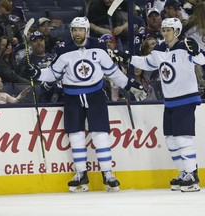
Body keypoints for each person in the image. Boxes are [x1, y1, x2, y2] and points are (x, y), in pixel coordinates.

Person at [27, 17, 146, 192]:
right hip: (72, 97)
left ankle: (107, 173)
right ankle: (81, 173)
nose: (77, 33)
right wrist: (37, 72)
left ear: (87, 31)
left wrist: (129, 85)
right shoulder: (64, 50)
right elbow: (53, 73)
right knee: (75, 135)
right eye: (74, 30)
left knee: (100, 134)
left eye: (80, 30)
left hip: (95, 96)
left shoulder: (98, 47)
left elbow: (112, 71)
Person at [114, 17, 205, 192]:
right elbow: (147, 62)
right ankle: (183, 172)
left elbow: (202, 61)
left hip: (185, 99)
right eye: (163, 30)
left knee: (183, 138)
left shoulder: (186, 45)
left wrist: (196, 53)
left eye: (169, 30)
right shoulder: (161, 49)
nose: (165, 33)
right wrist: (129, 57)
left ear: (177, 31)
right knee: (170, 140)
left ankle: (192, 175)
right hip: (170, 101)